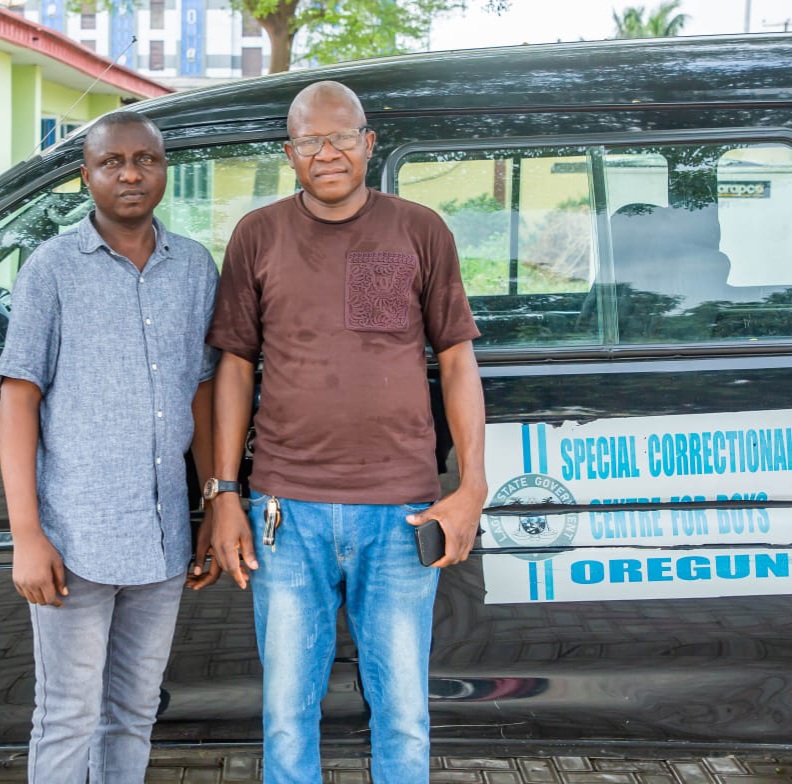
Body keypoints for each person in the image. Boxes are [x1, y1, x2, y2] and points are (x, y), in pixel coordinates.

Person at [204, 80, 487, 783]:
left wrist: (473, 488)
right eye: (309, 140)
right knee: (286, 717)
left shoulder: (418, 229)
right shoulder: (257, 235)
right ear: (289, 152)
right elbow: (234, 367)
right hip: (284, 512)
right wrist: (224, 493)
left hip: (401, 512)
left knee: (402, 717)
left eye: (340, 137)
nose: (325, 152)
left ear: (368, 142)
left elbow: (456, 360)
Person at [0, 111, 220, 784]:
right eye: (111, 162)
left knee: (132, 709)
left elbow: (202, 392)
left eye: (145, 160)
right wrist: (28, 535)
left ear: (164, 169)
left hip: (160, 544)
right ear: (84, 175)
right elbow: (17, 397)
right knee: (67, 714)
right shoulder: (52, 268)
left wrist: (214, 502)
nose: (129, 173)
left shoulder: (193, 267)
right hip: (75, 539)